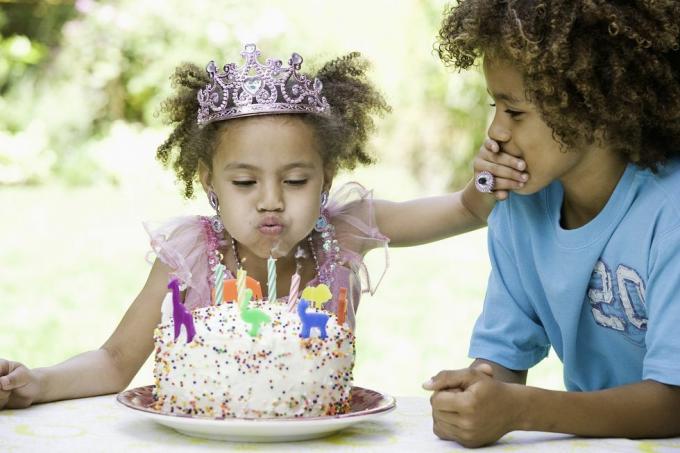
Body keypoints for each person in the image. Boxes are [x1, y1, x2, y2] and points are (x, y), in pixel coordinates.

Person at [0, 43, 525, 410]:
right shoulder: (189, 253)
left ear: (326, 179)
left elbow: (467, 210)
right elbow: (115, 361)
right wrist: (36, 382)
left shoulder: (343, 230)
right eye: (245, 183)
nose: (271, 202)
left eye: (296, 180)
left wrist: (486, 179)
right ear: (208, 181)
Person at [423, 0, 680, 447]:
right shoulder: (519, 209)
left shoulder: (670, 212)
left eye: (515, 112)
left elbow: (674, 402)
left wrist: (521, 410)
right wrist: (479, 392)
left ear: (594, 105)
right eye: (494, 106)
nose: (496, 132)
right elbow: (503, 360)